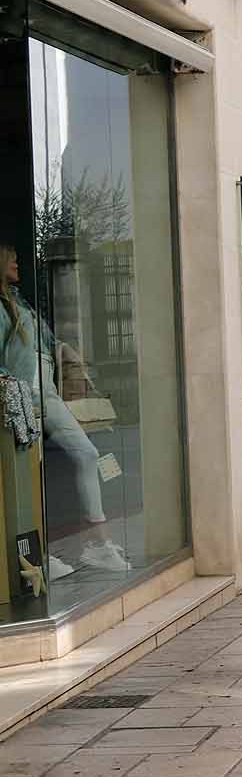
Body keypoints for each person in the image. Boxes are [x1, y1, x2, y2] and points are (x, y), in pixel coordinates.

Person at [0, 241, 131, 574]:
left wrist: (64, 350)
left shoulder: (19, 302)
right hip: (23, 393)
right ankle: (37, 556)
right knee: (28, 476)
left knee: (86, 454)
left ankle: (99, 544)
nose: (17, 260)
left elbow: (41, 341)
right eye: (10, 255)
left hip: (48, 390)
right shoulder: (1, 307)